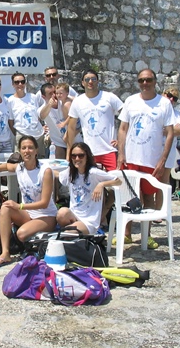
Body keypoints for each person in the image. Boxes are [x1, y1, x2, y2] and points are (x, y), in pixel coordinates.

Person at [117, 68, 175, 249]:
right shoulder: (131, 101)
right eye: (141, 80)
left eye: (148, 80)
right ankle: (126, 234)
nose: (144, 83)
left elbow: (170, 134)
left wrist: (162, 160)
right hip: (131, 158)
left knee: (149, 197)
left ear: (155, 81)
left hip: (151, 159)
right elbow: (123, 128)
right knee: (129, 197)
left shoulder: (164, 104)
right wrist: (121, 153)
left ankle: (146, 236)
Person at [0, 136, 57, 268]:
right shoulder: (20, 167)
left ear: (36, 151)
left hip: (46, 216)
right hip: (29, 214)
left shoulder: (45, 171)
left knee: (21, 234)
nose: (27, 151)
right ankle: (5, 253)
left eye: (30, 148)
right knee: (5, 207)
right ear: (20, 151)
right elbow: (6, 165)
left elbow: (44, 203)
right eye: (24, 148)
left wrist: (19, 205)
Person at [67, 69, 123, 227]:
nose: (90, 81)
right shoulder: (78, 101)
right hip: (88, 153)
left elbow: (126, 117)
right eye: (87, 79)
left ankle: (103, 214)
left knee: (115, 186)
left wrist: (120, 139)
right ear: (82, 83)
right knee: (88, 186)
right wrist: (70, 151)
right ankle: (96, 220)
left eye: (93, 78)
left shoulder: (109, 97)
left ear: (98, 81)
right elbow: (71, 127)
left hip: (109, 151)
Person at [57, 142, 121, 234]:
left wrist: (101, 184)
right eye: (74, 156)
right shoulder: (71, 172)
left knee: (66, 233)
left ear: (87, 157)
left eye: (81, 156)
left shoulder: (93, 173)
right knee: (61, 214)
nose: (77, 159)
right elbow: (58, 175)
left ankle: (77, 233)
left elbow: (118, 181)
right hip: (74, 214)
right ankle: (73, 234)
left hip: (89, 220)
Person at [157, 86, 180, 221]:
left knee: (163, 181)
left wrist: (163, 129)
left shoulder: (175, 114)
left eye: (175, 98)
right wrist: (170, 129)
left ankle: (159, 211)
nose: (171, 99)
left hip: (168, 152)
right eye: (169, 95)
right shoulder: (156, 109)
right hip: (154, 151)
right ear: (163, 94)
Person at [8, 72, 45, 154]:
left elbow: (39, 115)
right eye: (17, 82)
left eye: (22, 81)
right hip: (21, 135)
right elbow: (10, 121)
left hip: (38, 135)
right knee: (20, 161)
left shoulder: (33, 97)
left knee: (40, 161)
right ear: (13, 84)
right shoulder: (10, 100)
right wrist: (19, 132)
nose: (20, 84)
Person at [38, 83, 67, 159]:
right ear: (43, 97)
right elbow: (42, 116)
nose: (54, 95)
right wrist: (49, 105)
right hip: (58, 144)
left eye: (54, 92)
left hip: (71, 140)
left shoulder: (64, 102)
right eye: (50, 94)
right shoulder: (42, 109)